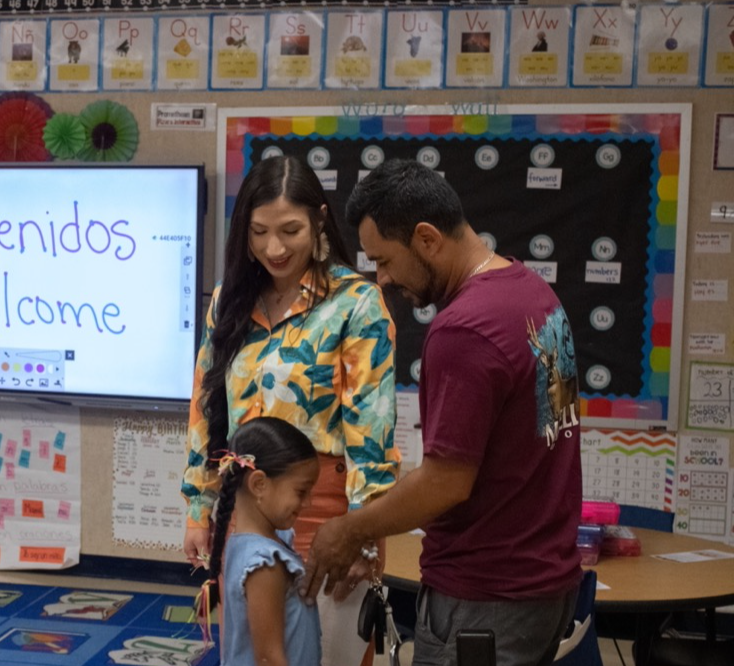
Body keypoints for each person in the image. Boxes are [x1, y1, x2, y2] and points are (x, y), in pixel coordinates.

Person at [305, 159, 581, 666]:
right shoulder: (533, 292)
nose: (383, 279)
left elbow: (445, 482)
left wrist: (350, 529)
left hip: (484, 600)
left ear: (427, 239)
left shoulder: (464, 330)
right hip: (545, 588)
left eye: (385, 260)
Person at [181, 155, 399, 666]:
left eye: (290, 230)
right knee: (254, 653)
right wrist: (199, 505)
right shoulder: (229, 300)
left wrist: (362, 535)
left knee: (324, 655)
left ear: (320, 221)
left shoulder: (355, 303)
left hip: (325, 511)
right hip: (247, 510)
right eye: (258, 232)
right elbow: (206, 408)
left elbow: (372, 435)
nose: (273, 248)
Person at [200, 417, 322, 666]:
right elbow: (268, 658)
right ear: (259, 484)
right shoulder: (265, 563)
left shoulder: (245, 543)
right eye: (301, 491)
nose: (308, 502)